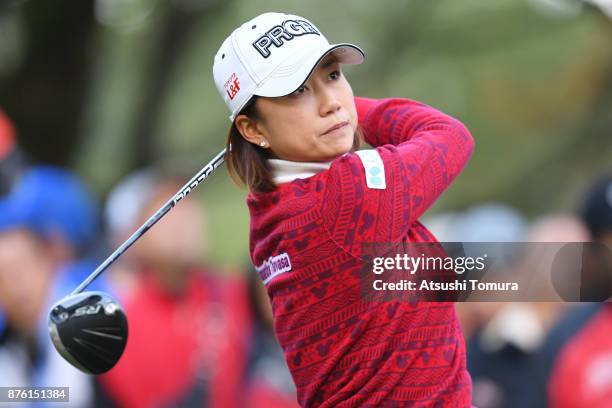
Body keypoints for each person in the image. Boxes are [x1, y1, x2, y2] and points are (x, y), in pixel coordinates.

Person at [212, 12, 475, 406]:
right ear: (252, 129)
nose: (329, 102)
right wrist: (349, 114)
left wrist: (339, 114)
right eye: (297, 90)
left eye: (333, 75)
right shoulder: (345, 196)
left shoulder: (268, 208)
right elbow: (450, 136)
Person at [98, 168, 250, 408]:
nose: (181, 219)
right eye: (163, 212)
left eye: (185, 201)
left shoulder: (239, 291)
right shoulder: (121, 334)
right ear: (132, 240)